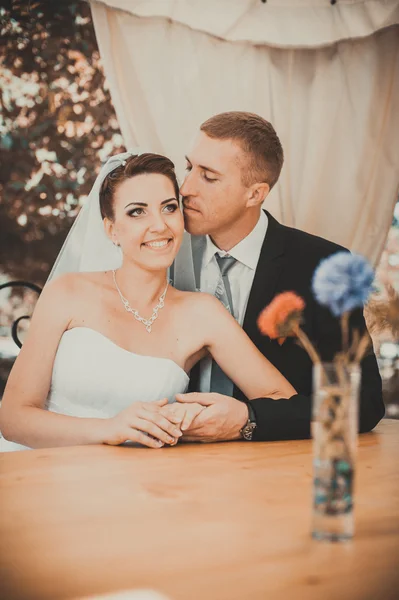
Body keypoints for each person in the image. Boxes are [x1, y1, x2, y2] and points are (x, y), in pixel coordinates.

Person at [0, 151, 296, 451]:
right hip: (41, 470)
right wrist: (110, 428)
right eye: (136, 212)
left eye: (168, 208)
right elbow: (13, 418)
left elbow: (284, 402)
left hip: (143, 485)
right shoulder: (67, 293)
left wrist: (240, 418)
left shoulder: (203, 313)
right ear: (111, 229)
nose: (159, 226)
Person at [173, 111, 385, 443]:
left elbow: (365, 404)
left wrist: (251, 419)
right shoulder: (163, 253)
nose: (185, 188)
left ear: (255, 194)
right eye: (189, 168)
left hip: (276, 466)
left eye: (208, 177)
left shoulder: (324, 266)